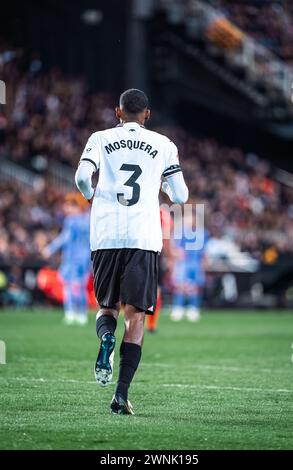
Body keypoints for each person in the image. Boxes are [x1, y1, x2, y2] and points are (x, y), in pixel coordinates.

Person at [75, 88, 188, 415]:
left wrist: (90, 196)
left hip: (106, 235)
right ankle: (121, 395)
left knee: (106, 307)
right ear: (147, 115)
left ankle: (106, 338)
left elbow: (82, 176)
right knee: (136, 317)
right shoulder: (164, 145)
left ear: (117, 112)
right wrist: (164, 186)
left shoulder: (99, 138)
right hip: (142, 236)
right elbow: (180, 195)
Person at [43, 193, 91, 325]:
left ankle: (70, 313)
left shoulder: (71, 220)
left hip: (72, 258)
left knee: (69, 286)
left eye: (69, 205)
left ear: (77, 206)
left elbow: (65, 237)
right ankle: (82, 314)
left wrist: (50, 249)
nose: (66, 208)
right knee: (81, 286)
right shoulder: (88, 219)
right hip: (85, 258)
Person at [171, 214, 209, 322]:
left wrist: (204, 265)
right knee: (181, 286)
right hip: (183, 263)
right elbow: (175, 248)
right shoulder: (180, 233)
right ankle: (178, 308)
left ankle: (193, 308)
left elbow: (204, 252)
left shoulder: (202, 233)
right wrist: (175, 262)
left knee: (195, 287)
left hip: (196, 263)